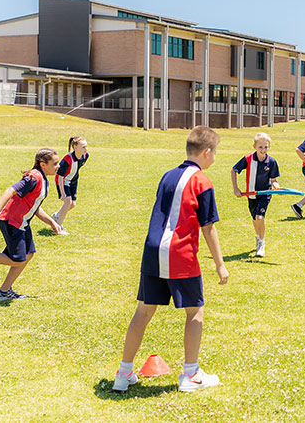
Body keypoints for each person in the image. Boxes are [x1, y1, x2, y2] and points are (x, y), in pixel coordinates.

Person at [113, 127, 229, 393]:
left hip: (153, 251)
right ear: (207, 152)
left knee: (144, 310)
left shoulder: (167, 175)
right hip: (180, 253)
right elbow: (208, 227)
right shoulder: (202, 181)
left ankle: (123, 373)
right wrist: (220, 264)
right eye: (215, 153)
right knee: (195, 310)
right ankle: (191, 374)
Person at [0, 149, 62, 300]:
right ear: (43, 164)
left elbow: (33, 205)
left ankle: (4, 292)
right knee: (17, 259)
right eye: (55, 163)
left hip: (22, 223)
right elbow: (11, 190)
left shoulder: (42, 179)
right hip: (11, 221)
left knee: (28, 255)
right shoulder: (33, 178)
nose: (58, 166)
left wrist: (51, 222)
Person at [231, 133, 280, 257]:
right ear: (254, 146)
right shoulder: (248, 159)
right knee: (254, 219)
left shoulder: (272, 162)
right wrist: (236, 188)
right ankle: (258, 237)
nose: (263, 150)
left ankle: (262, 243)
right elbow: (234, 170)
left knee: (259, 217)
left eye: (266, 147)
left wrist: (277, 187)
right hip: (251, 194)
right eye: (260, 147)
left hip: (265, 194)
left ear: (269, 147)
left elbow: (273, 180)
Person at [52, 136, 90, 235]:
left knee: (72, 204)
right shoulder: (67, 160)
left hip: (73, 182)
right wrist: (63, 192)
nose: (85, 149)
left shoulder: (85, 156)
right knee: (67, 202)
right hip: (63, 181)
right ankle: (58, 228)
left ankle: (57, 215)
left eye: (86, 146)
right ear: (75, 148)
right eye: (83, 147)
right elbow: (60, 176)